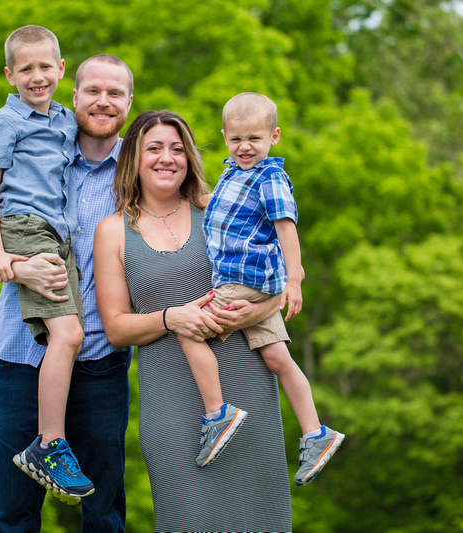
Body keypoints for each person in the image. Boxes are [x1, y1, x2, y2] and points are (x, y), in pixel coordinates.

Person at [93, 110, 292, 532]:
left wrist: (255, 311)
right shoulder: (112, 231)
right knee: (189, 517)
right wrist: (171, 318)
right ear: (133, 158)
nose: (167, 158)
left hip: (249, 389)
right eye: (154, 148)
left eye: (177, 148)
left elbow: (278, 284)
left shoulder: (220, 207)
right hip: (173, 408)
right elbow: (115, 328)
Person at [0, 53, 135, 532]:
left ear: (127, 102)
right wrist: (22, 268)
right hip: (21, 358)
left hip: (101, 360)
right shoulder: (30, 151)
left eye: (114, 93)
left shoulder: (138, 173)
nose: (103, 102)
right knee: (15, 512)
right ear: (73, 94)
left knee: (104, 510)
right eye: (93, 92)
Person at [176, 92, 344, 484]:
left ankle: (218, 413)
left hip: (243, 281)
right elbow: (215, 204)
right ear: (224, 136)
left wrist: (295, 279)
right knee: (278, 359)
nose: (244, 147)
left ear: (274, 136)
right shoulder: (234, 173)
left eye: (254, 138)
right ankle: (316, 432)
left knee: (188, 329)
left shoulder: (269, 177)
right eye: (236, 139)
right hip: (252, 284)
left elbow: (286, 226)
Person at [0, 25, 91, 503]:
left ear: (61, 69)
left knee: (68, 336)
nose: (37, 76)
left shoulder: (66, 120)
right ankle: (49, 444)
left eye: (46, 67)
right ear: (10, 74)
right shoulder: (3, 124)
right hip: (24, 226)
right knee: (68, 335)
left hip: (57, 232)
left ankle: (49, 441)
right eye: (26, 69)